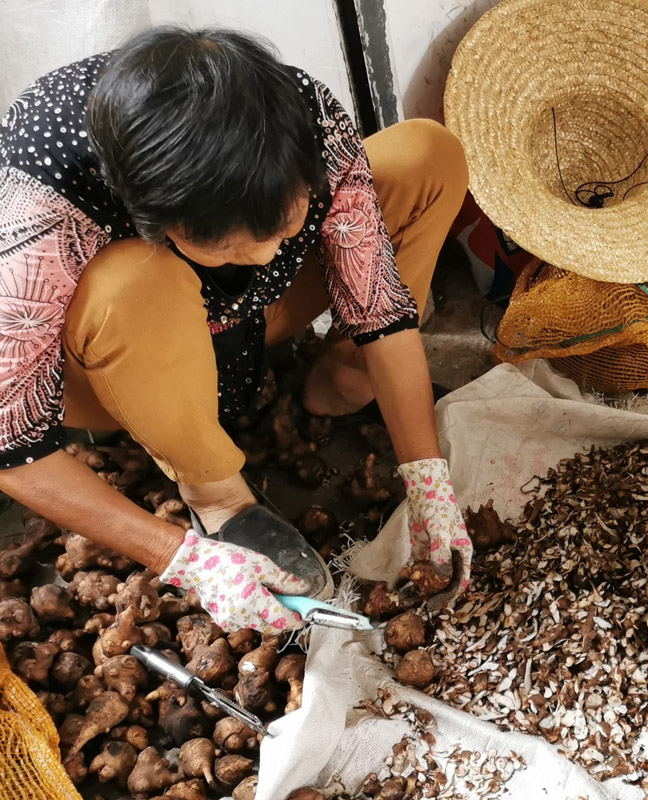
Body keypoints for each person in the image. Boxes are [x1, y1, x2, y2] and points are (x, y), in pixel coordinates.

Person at [0, 28, 473, 634]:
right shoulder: (45, 189)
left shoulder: (305, 117)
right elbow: (11, 444)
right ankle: (218, 497)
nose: (262, 257)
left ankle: (342, 377)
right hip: (127, 352)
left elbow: (378, 299)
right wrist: (182, 559)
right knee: (131, 282)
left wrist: (425, 474)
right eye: (226, 245)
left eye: (284, 225)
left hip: (250, 319)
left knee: (424, 155)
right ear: (148, 214)